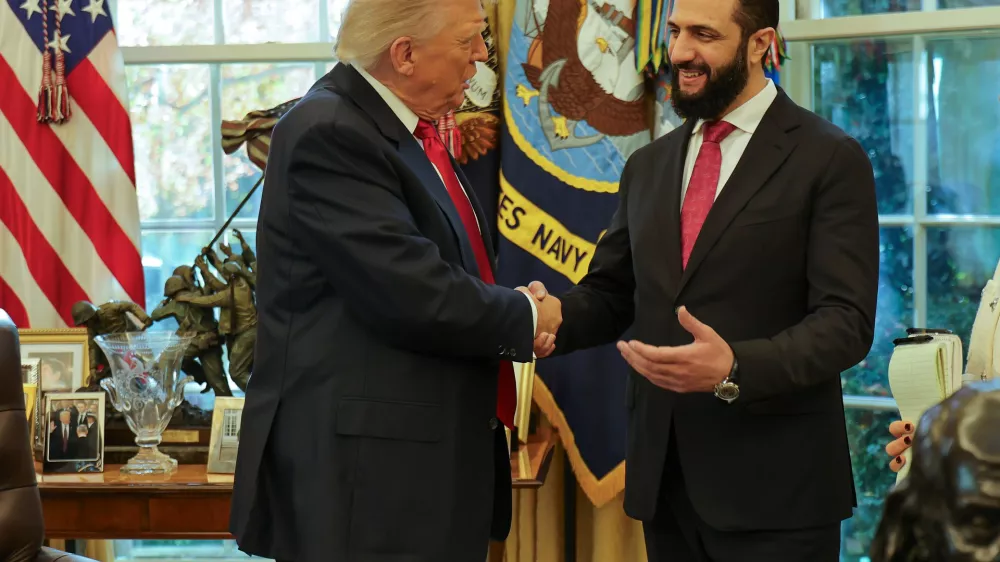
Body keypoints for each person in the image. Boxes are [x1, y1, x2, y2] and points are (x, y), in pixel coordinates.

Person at [528, 0, 880, 559]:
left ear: (761, 43)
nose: (681, 52)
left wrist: (735, 367)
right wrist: (550, 318)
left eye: (703, 35)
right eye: (674, 32)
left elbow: (846, 323)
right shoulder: (649, 164)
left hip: (778, 494)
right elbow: (615, 293)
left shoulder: (830, 158)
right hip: (664, 483)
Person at [227, 0, 560, 560]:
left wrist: (510, 306)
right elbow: (412, 293)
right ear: (404, 54)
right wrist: (526, 317)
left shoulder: (407, 133)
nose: (482, 55)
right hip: (365, 490)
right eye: (468, 41)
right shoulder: (328, 131)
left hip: (413, 477)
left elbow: (440, 270)